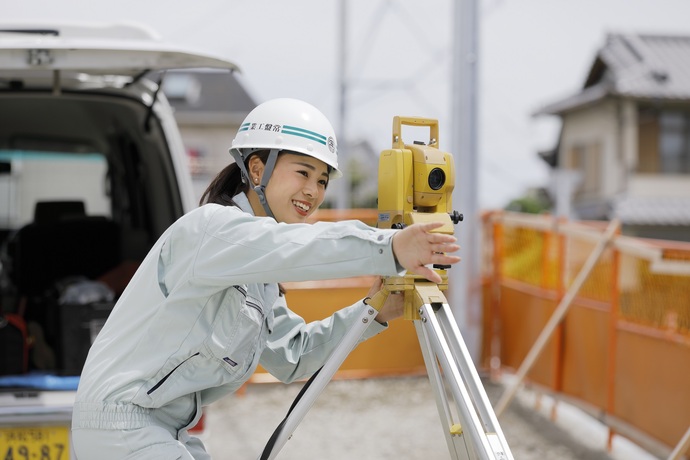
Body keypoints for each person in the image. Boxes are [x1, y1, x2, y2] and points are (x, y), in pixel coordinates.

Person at [71, 98, 460, 459]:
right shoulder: (215, 230)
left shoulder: (256, 272)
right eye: (303, 172)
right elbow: (299, 247)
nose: (313, 191)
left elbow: (293, 356)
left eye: (323, 180)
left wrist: (375, 311)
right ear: (257, 169)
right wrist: (391, 247)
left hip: (163, 429)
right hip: (124, 425)